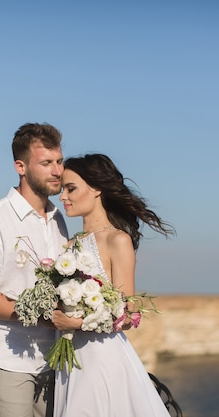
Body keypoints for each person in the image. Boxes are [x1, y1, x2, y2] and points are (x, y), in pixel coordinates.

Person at [0, 122, 69, 417]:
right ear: (21, 166)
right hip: (8, 360)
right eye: (46, 163)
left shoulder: (59, 221)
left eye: (59, 162)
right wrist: (33, 314)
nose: (57, 171)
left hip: (53, 361)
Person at [51, 153, 176, 417]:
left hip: (102, 359)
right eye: (62, 189)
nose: (63, 197)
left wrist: (75, 323)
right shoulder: (70, 245)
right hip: (71, 359)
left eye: (71, 188)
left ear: (96, 189)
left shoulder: (117, 240)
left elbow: (127, 315)